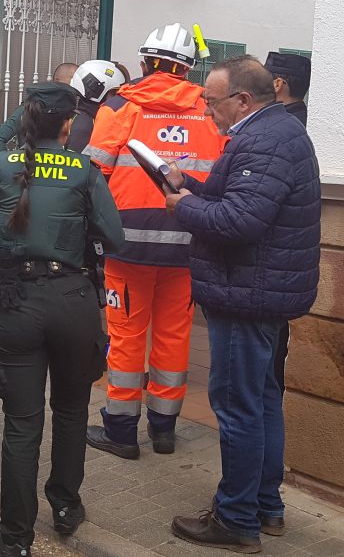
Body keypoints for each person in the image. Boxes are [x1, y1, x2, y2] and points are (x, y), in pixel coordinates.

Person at [0, 83, 124, 557]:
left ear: (24, 120)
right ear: (69, 124)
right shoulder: (86, 170)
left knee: (21, 423)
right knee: (71, 413)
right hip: (73, 302)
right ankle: (67, 508)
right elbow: (116, 237)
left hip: (16, 305)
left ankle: (16, 539)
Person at [166, 56, 320, 553]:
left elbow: (239, 221)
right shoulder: (275, 132)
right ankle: (266, 507)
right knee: (262, 400)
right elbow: (236, 197)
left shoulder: (264, 139)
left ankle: (235, 520)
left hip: (247, 294)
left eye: (211, 101)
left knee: (237, 408)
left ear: (243, 100)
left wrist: (182, 206)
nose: (206, 110)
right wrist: (188, 183)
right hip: (260, 290)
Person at [82, 23, 227, 459]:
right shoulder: (208, 108)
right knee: (174, 335)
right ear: (187, 67)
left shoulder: (121, 103)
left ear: (145, 61)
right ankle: (164, 429)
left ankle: (122, 432)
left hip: (129, 247)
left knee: (127, 335)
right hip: (189, 242)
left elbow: (93, 175)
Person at [263, 51, 312, 394]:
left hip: (273, 265)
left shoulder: (281, 130)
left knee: (263, 377)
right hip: (285, 266)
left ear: (278, 84)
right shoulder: (301, 123)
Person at [0, 63, 79, 154]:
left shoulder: (74, 110)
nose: (78, 84)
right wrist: (12, 165)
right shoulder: (32, 107)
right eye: (74, 79)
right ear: (57, 80)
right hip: (29, 167)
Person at [66, 60, 126, 153]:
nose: (117, 98)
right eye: (114, 93)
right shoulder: (84, 126)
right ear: (95, 90)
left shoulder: (86, 117)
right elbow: (76, 165)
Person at [265, 51, 311, 127]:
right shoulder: (306, 120)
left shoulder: (274, 126)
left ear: (277, 84)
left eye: (263, 80)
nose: (259, 86)